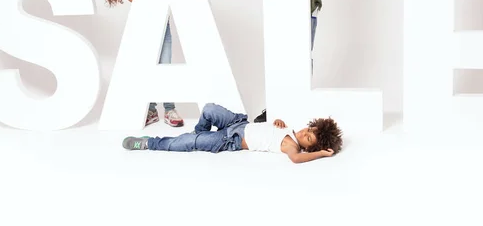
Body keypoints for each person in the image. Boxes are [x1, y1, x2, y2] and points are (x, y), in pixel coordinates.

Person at [99, 0, 184, 127]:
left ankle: (169, 109)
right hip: (142, 25)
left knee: (165, 65)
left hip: (162, 23)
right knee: (147, 66)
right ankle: (151, 110)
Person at [122, 103, 342, 164]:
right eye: (309, 129)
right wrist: (277, 122)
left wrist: (321, 153)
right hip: (238, 122)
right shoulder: (291, 132)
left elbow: (295, 159)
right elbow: (270, 129)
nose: (305, 132)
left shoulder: (293, 148)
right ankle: (197, 134)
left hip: (230, 139)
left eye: (309, 138)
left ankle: (149, 143)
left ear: (309, 147)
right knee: (208, 109)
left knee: (190, 142)